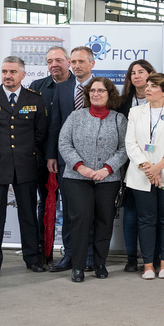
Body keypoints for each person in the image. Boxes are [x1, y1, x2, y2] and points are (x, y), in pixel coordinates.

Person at [0, 56, 50, 277]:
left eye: (13, 72)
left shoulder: (35, 99)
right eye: (4, 72)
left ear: (23, 75)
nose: (8, 76)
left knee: (28, 214)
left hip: (26, 164)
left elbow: (40, 134)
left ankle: (32, 259)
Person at [56, 77, 128, 282]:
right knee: (80, 220)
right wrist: (80, 166)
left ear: (109, 94)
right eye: (92, 90)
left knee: (104, 221)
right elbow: (64, 143)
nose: (96, 94)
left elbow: (124, 148)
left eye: (101, 91)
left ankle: (99, 263)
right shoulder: (75, 116)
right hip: (77, 178)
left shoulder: (118, 119)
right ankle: (78, 266)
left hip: (108, 179)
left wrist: (107, 169)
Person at [112, 59, 164, 272]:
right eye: (133, 73)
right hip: (131, 164)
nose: (137, 76)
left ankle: (156, 258)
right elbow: (125, 139)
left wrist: (154, 167)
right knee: (131, 213)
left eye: (142, 72)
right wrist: (143, 164)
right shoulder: (123, 102)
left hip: (159, 165)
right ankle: (132, 257)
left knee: (157, 214)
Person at [124, 73, 164, 279]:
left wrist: (159, 166)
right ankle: (148, 266)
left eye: (154, 86)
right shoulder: (135, 112)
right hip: (141, 174)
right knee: (145, 220)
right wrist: (147, 167)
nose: (148, 89)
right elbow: (130, 143)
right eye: (148, 85)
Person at [47, 46, 95, 273]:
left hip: (96, 162)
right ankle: (70, 255)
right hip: (66, 160)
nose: (76, 66)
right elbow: (55, 124)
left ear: (91, 64)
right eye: (73, 62)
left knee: (92, 211)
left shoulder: (101, 87)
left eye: (81, 62)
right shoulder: (63, 88)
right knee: (69, 211)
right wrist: (52, 155)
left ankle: (90, 257)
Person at [28, 45, 70, 260]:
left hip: (72, 159)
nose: (54, 64)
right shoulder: (37, 87)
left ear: (68, 62)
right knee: (45, 205)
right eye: (49, 61)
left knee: (71, 207)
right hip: (42, 158)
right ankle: (43, 252)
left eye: (58, 60)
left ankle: (70, 254)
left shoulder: (79, 87)